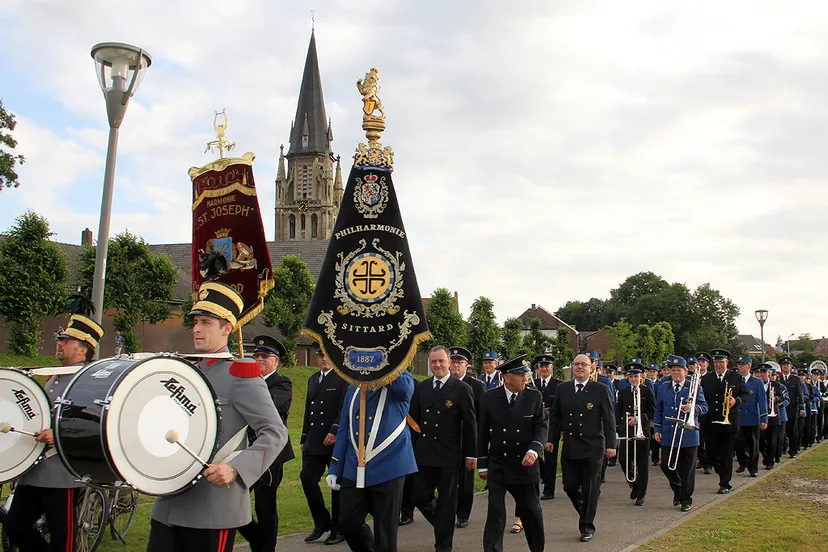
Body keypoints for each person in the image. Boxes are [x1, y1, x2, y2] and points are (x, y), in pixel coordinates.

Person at [147, 282, 288, 552]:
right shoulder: (184, 370)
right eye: (196, 321)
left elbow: (275, 432)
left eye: (206, 322)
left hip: (214, 505)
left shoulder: (241, 373)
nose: (197, 328)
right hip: (170, 502)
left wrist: (236, 468)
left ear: (227, 329)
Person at [6, 314, 103, 552]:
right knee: (14, 526)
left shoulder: (88, 380)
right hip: (35, 470)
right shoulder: (57, 377)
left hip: (62, 473)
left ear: (82, 349)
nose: (59, 343)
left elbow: (94, 422)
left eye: (66, 340)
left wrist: (58, 434)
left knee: (64, 540)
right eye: (61, 338)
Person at [327, 370, 417, 552]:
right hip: (355, 467)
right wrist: (335, 467)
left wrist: (384, 367)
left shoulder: (400, 377)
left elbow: (405, 391)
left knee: (385, 531)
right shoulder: (354, 386)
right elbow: (344, 427)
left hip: (389, 466)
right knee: (347, 521)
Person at [409, 346, 477, 552]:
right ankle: (443, 524)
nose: (437, 365)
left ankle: (443, 546)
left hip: (450, 454)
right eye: (433, 362)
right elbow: (414, 421)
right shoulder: (422, 388)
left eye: (441, 361)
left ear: (449, 362)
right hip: (425, 453)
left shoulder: (462, 389)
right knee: (419, 496)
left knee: (447, 502)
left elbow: (470, 423)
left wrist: (472, 453)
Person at [478, 355, 546, 552]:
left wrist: (534, 450)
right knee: (496, 514)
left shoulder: (534, 397)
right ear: (507, 377)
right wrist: (482, 463)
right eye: (521, 375)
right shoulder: (490, 397)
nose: (525, 379)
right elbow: (482, 432)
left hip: (525, 465)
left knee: (531, 512)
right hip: (499, 464)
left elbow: (541, 427)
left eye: (526, 375)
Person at [547, 353, 616, 542]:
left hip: (593, 447)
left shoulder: (600, 390)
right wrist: (551, 439)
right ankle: (585, 510)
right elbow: (555, 417)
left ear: (591, 368)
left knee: (590, 488)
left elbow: (609, 419)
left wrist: (611, 444)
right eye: (576, 364)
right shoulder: (563, 389)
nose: (579, 367)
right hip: (570, 446)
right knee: (569, 486)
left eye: (583, 365)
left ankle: (587, 525)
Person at [238, 336, 295, 552]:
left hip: (270, 455)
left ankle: (266, 547)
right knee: (234, 500)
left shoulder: (282, 383)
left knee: (265, 506)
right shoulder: (248, 382)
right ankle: (257, 538)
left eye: (265, 356)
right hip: (245, 451)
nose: (260, 359)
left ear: (276, 361)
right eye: (257, 355)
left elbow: (266, 408)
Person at [301, 345, 348, 545]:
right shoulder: (313, 379)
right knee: (307, 478)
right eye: (320, 355)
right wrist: (304, 437)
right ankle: (322, 522)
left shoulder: (343, 378)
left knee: (336, 486)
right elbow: (308, 409)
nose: (323, 359)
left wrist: (335, 430)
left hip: (334, 440)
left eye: (327, 355)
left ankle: (339, 529)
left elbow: (344, 407)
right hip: (315, 440)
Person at [653, 355, 708, 512]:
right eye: (673, 370)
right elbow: (659, 410)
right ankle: (678, 490)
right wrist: (657, 429)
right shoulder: (663, 387)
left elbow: (704, 407)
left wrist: (694, 409)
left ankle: (686, 499)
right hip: (669, 432)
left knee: (687, 469)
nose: (676, 373)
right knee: (666, 465)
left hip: (688, 433)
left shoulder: (694, 386)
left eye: (679, 370)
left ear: (686, 372)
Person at [698, 349, 750, 495]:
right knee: (711, 452)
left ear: (727, 362)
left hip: (729, 422)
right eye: (716, 362)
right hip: (710, 421)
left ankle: (725, 482)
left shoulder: (736, 377)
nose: (718, 365)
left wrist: (736, 400)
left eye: (721, 362)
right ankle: (721, 471)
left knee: (726, 453)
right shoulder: (707, 378)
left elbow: (746, 394)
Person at [448, 346, 486, 529]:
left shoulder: (476, 386)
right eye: (452, 362)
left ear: (467, 365)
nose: (455, 365)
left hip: (467, 439)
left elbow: (481, 415)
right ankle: (448, 509)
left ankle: (463, 513)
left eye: (459, 362)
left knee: (465, 481)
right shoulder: (444, 383)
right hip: (446, 440)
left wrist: (477, 444)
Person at [616, 361, 655, 506]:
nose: (633, 379)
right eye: (631, 377)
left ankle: (641, 494)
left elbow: (652, 411)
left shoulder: (647, 391)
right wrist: (617, 429)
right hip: (627, 432)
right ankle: (634, 483)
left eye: (636, 376)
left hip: (642, 431)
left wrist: (638, 419)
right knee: (623, 459)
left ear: (642, 376)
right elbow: (618, 411)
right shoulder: (624, 392)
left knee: (642, 463)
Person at [533, 354, 562, 500]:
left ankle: (549, 490)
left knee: (551, 459)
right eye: (541, 367)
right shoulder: (533, 384)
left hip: (552, 426)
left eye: (547, 366)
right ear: (537, 369)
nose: (544, 369)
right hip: (536, 426)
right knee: (535, 454)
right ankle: (542, 478)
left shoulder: (559, 385)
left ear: (552, 368)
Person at [733, 356, 767, 478]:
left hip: (752, 417)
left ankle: (753, 467)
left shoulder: (757, 382)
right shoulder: (735, 380)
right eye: (739, 364)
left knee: (753, 444)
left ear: (749, 366)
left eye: (743, 364)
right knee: (738, 443)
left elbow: (762, 401)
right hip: (738, 417)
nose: (740, 367)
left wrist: (764, 419)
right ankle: (743, 462)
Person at [756, 364, 788, 469]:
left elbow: (782, 396)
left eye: (764, 373)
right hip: (760, 416)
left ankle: (770, 461)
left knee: (772, 440)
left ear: (769, 374)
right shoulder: (756, 384)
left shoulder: (776, 385)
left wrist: (775, 398)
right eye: (760, 373)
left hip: (773, 416)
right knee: (759, 440)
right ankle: (766, 455)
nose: (762, 375)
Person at [777, 356, 805, 458]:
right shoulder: (778, 379)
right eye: (784, 365)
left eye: (787, 365)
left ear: (790, 367)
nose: (785, 367)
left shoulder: (796, 379)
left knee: (792, 431)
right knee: (781, 431)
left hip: (793, 408)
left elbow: (800, 394)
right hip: (781, 408)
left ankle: (793, 450)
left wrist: (801, 407)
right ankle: (781, 449)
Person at [694, 352, 713, 474]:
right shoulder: (692, 378)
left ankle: (708, 462)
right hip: (695, 412)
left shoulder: (711, 378)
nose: (700, 364)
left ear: (707, 364)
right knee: (699, 439)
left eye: (703, 362)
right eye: (698, 362)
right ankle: (703, 460)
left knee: (708, 439)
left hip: (708, 411)